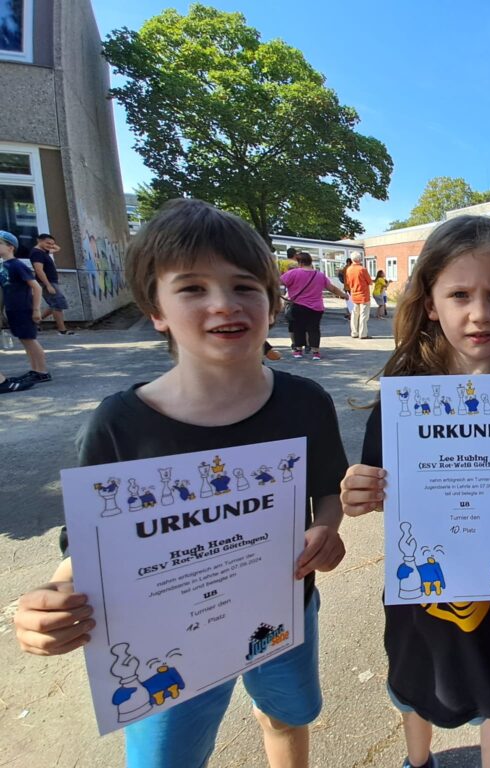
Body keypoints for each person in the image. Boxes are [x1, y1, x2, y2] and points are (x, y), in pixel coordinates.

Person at [12, 199, 349, 768]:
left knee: (287, 716)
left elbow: (327, 494)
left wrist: (326, 529)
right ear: (156, 309)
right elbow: (87, 551)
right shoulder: (118, 425)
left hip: (283, 613)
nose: (224, 303)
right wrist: (47, 604)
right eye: (192, 288)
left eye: (245, 285)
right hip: (164, 646)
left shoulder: (305, 402)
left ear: (271, 302)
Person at [340, 215, 490, 768]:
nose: (481, 312)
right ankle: (416, 760)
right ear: (430, 304)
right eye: (460, 294)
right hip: (417, 588)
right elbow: (375, 485)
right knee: (412, 676)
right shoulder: (402, 402)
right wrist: (358, 492)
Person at [0, 230, 51, 384]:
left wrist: (36, 310)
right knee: (24, 340)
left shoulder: (17, 265)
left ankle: (42, 371)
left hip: (23, 308)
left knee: (30, 340)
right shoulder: (4, 266)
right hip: (12, 309)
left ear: (11, 247)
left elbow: (36, 287)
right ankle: (35, 369)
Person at [281, 251, 346, 360]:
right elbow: (332, 288)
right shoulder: (319, 275)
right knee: (314, 329)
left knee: (298, 327)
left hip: (298, 305)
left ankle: (298, 350)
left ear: (299, 262)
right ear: (310, 261)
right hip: (316, 307)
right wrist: (344, 295)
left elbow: (277, 282)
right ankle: (315, 352)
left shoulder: (293, 273)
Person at [29, 233, 74, 335]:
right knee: (57, 305)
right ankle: (62, 330)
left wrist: (50, 245)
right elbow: (39, 270)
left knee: (55, 304)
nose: (50, 246)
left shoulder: (44, 251)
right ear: (39, 241)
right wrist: (48, 285)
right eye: (47, 243)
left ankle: (35, 321)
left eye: (52, 244)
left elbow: (58, 248)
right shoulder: (37, 253)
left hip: (52, 281)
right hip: (47, 282)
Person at [345, 254, 372, 339]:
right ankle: (363, 334)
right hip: (363, 295)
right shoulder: (362, 269)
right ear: (360, 259)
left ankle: (354, 332)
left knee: (354, 314)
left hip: (354, 294)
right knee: (363, 315)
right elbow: (370, 281)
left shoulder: (348, 269)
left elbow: (348, 282)